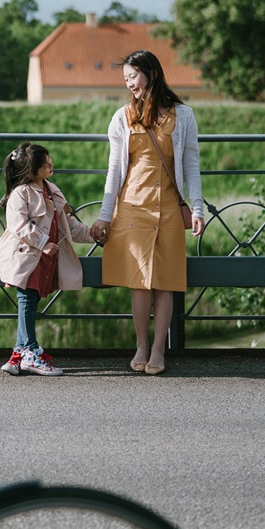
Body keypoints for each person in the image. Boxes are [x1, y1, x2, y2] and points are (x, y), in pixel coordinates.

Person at [89, 50, 205, 376]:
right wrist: (104, 214)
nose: (129, 85)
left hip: (169, 206)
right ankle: (141, 344)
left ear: (151, 73)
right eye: (125, 79)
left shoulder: (183, 116)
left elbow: (191, 165)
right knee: (140, 282)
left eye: (133, 77)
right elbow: (114, 170)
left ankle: (158, 350)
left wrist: (196, 208)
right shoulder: (121, 117)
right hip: (133, 207)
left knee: (165, 281)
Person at [0, 141, 87, 376]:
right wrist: (43, 243)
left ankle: (18, 353)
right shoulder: (20, 193)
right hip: (26, 256)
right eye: (45, 164)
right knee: (26, 301)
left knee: (29, 302)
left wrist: (93, 234)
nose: (51, 165)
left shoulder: (51, 189)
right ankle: (31, 351)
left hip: (44, 258)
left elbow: (69, 225)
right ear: (31, 170)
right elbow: (18, 225)